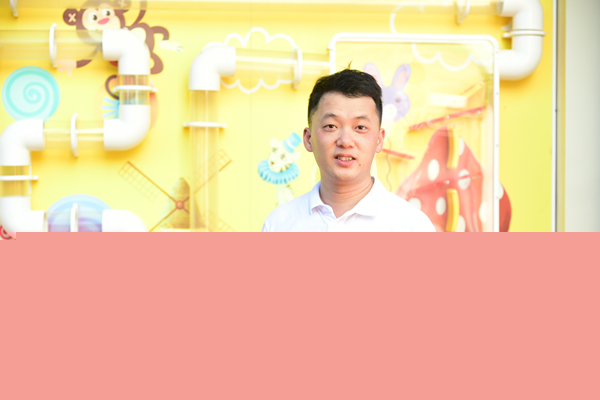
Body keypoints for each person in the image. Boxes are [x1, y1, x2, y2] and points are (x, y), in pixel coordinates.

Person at [262, 69, 435, 232]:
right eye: (331, 126)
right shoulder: (278, 225)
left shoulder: (413, 226)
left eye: (360, 127)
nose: (345, 141)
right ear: (308, 139)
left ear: (379, 140)